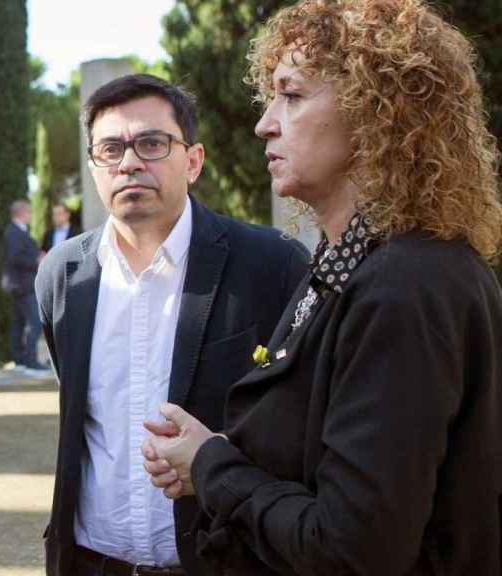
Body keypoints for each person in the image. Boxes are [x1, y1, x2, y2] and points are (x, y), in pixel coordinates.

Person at [143, 1, 502, 574]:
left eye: (292, 95)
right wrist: (208, 459)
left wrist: (211, 464)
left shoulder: (408, 283)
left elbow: (352, 548)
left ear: (377, 112)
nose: (264, 123)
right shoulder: (348, 263)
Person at [36, 73, 309, 576]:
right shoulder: (62, 275)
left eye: (151, 143)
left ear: (194, 161)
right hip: (92, 562)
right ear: (95, 165)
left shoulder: (271, 265)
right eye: (111, 148)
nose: (130, 162)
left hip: (224, 560)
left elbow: (300, 426)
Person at [2, 199, 48, 370]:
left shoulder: (19, 231)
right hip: (22, 285)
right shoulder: (14, 231)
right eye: (29, 212)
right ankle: (30, 360)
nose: (30, 216)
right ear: (21, 213)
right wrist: (37, 260)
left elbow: (22, 253)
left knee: (19, 322)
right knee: (35, 322)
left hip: (19, 284)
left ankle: (20, 359)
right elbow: (15, 258)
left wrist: (37, 254)